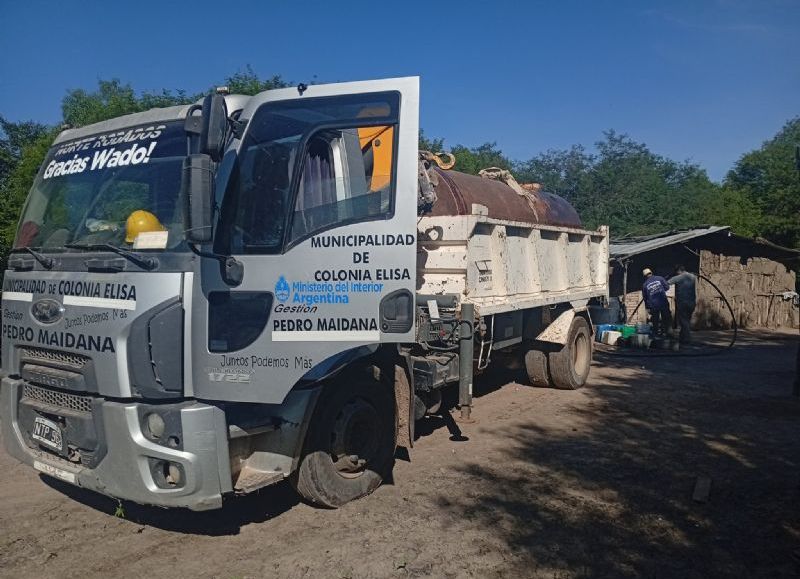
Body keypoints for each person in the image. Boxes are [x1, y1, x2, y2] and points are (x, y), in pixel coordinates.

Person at [668, 265, 698, 344]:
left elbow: (667, 283)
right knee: (686, 321)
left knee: (683, 321)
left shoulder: (678, 277)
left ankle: (687, 339)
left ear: (678, 271)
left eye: (676, 272)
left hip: (683, 302)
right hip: (692, 302)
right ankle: (682, 338)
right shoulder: (692, 276)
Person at [642, 268, 672, 336]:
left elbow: (645, 298)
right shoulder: (660, 278)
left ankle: (656, 335)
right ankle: (669, 334)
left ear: (644, 276)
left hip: (653, 305)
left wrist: (647, 307)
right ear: (651, 272)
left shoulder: (645, 285)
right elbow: (667, 287)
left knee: (655, 320)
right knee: (667, 318)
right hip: (663, 302)